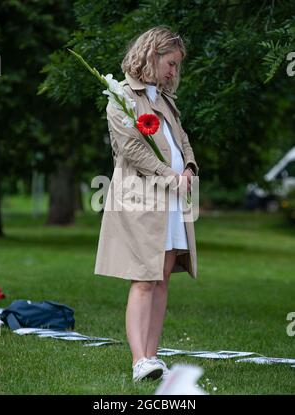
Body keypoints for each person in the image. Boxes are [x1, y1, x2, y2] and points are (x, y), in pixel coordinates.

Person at [94, 26, 199, 382]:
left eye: (176, 66)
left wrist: (187, 167)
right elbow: (132, 149)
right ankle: (140, 361)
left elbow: (182, 140)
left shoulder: (165, 100)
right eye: (169, 63)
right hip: (142, 200)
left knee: (162, 276)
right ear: (150, 55)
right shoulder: (121, 96)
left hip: (172, 201)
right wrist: (170, 177)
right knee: (144, 277)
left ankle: (153, 356)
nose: (173, 72)